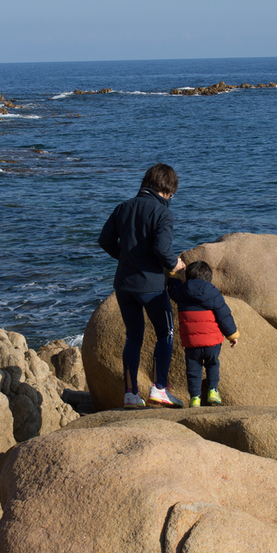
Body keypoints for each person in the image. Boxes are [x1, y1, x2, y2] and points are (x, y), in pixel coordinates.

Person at [98, 163, 186, 408]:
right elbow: (162, 249)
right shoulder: (163, 213)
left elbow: (104, 240)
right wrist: (175, 264)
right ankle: (159, 389)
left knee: (133, 337)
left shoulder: (123, 207)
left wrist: (126, 257)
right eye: (172, 194)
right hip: (151, 286)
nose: (171, 198)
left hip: (124, 285)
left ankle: (130, 394)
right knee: (165, 333)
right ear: (167, 190)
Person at [167, 260, 239, 407]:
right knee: (212, 364)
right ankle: (212, 391)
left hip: (192, 343)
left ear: (188, 276)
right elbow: (224, 315)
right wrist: (232, 335)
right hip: (212, 341)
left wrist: (175, 273)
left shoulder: (181, 291)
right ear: (208, 277)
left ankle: (195, 398)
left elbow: (172, 289)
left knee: (194, 369)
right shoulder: (213, 293)